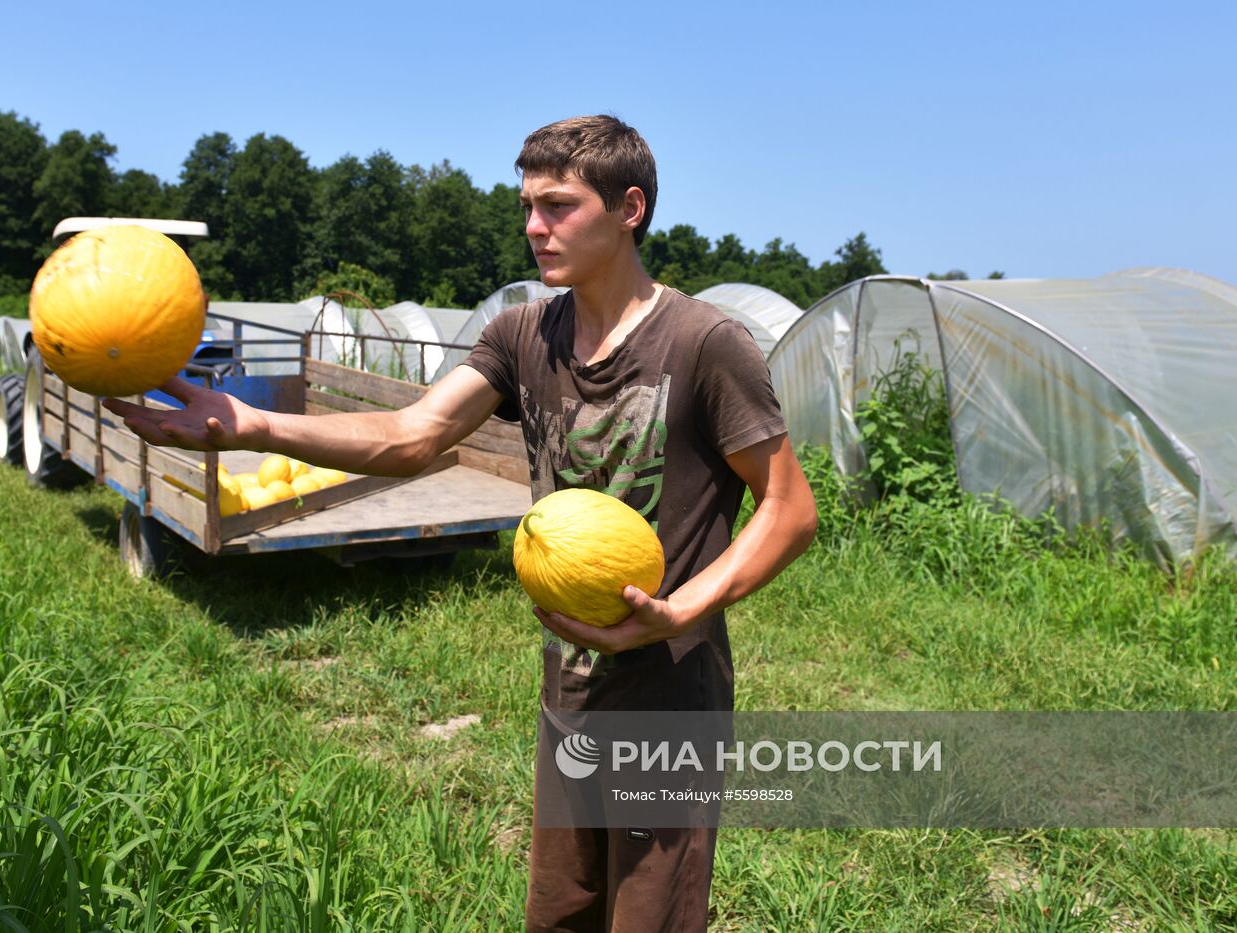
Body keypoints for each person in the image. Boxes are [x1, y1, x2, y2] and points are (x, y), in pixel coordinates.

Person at [105, 114, 817, 932]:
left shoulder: (704, 342)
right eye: (525, 206)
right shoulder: (523, 333)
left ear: (630, 209)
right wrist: (246, 423)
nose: (533, 227)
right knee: (560, 914)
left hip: (670, 697)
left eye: (557, 206)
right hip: (571, 686)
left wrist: (677, 612)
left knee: (649, 919)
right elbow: (413, 436)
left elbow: (791, 510)